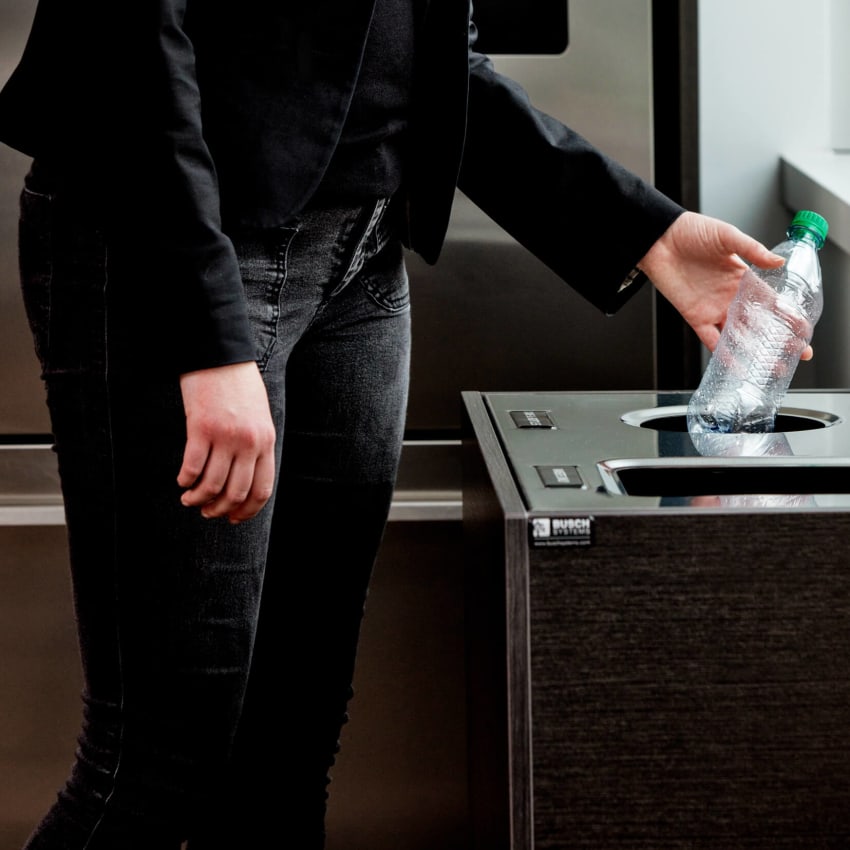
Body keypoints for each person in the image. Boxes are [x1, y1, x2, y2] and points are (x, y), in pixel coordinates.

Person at [0, 2, 796, 848]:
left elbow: (437, 63)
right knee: (160, 764)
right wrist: (205, 334)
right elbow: (128, 44)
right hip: (184, 253)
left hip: (362, 261)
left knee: (289, 742)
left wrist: (650, 233)